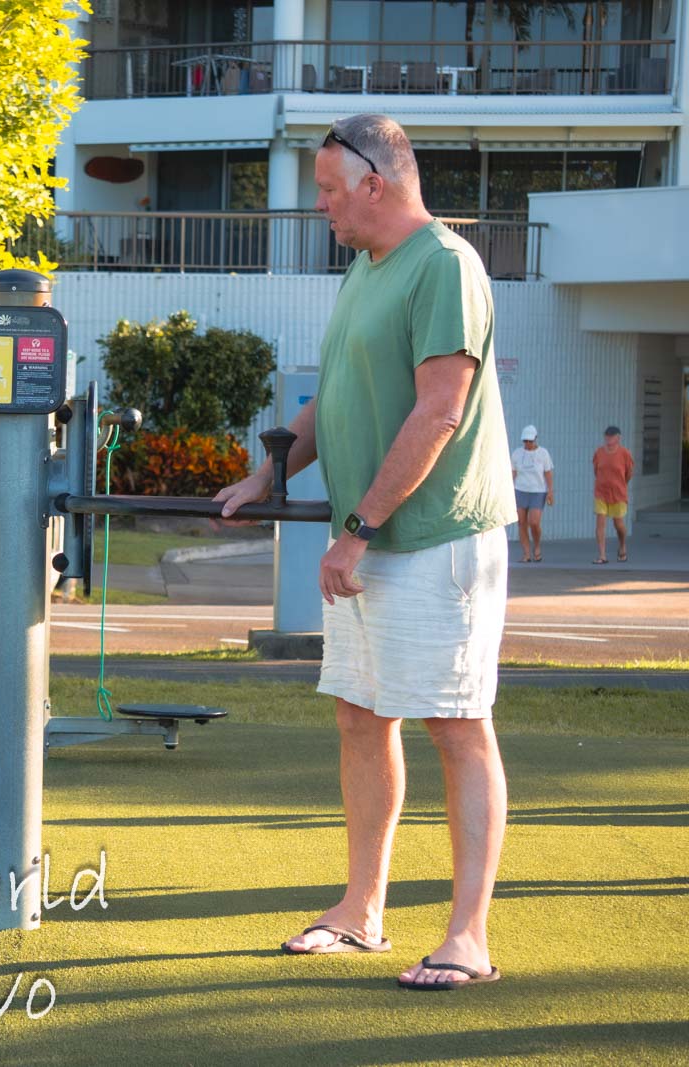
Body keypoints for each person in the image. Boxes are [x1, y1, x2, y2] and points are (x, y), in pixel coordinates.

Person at [214, 114, 517, 991]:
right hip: (377, 539)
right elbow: (334, 396)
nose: (322, 208)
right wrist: (267, 473)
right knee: (359, 712)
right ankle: (361, 911)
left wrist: (358, 528)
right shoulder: (364, 268)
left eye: (329, 191)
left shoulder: (445, 267)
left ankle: (468, 936)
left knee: (457, 725)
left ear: (376, 185)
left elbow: (438, 412)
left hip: (437, 539)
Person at [510, 425, 554, 562]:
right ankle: (527, 553)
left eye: (530, 441)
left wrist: (550, 491)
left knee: (534, 522)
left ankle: (537, 546)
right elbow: (513, 472)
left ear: (535, 439)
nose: (527, 444)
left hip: (538, 491)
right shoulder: (517, 453)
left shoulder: (543, 453)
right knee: (521, 522)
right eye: (525, 441)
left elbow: (547, 473)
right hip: (520, 490)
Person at [592, 425, 634, 564]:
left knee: (618, 524)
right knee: (600, 522)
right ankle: (602, 555)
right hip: (601, 492)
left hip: (618, 493)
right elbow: (596, 471)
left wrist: (620, 484)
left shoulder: (625, 453)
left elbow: (629, 474)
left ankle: (622, 545)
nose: (609, 438)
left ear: (618, 437)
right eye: (607, 436)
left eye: (612, 436)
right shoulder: (599, 452)